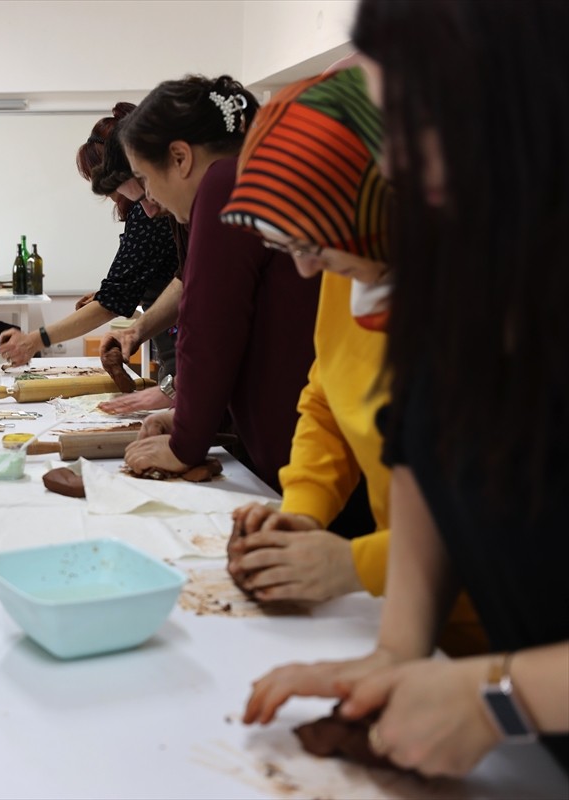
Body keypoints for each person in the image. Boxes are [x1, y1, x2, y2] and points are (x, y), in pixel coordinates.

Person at [244, 0, 568, 777]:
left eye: (412, 123)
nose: (388, 162)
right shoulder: (448, 269)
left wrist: (501, 698)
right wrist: (395, 651)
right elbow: (424, 458)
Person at [215, 66, 484, 655]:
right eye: (289, 245)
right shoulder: (355, 263)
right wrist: (304, 508)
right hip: (416, 614)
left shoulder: (492, 302)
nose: (305, 268)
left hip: (513, 637)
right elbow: (327, 397)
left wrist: (354, 564)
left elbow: (506, 521)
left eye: (313, 244)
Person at [114, 76, 321, 493]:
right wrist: (191, 418)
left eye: (146, 179)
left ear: (180, 157)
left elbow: (209, 325)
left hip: (304, 453)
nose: (151, 200)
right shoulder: (257, 171)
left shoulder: (225, 181)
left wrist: (185, 444)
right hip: (305, 437)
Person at [0, 104, 181, 372]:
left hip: (185, 349)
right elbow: (169, 281)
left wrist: (36, 340)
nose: (108, 191)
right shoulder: (151, 211)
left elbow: (113, 302)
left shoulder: (152, 214)